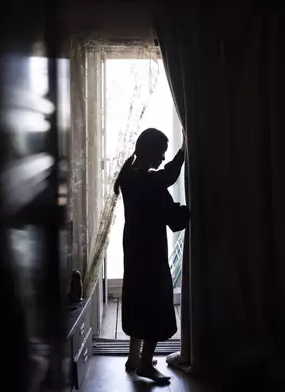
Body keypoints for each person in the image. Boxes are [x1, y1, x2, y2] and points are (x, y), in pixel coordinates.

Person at [113, 128, 189, 382]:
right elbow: (167, 179)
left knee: (138, 299)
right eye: (161, 152)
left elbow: (161, 186)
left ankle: (134, 357)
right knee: (155, 303)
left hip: (135, 249)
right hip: (149, 251)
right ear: (148, 150)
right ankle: (145, 364)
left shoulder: (130, 177)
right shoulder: (145, 180)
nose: (163, 158)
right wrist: (183, 152)